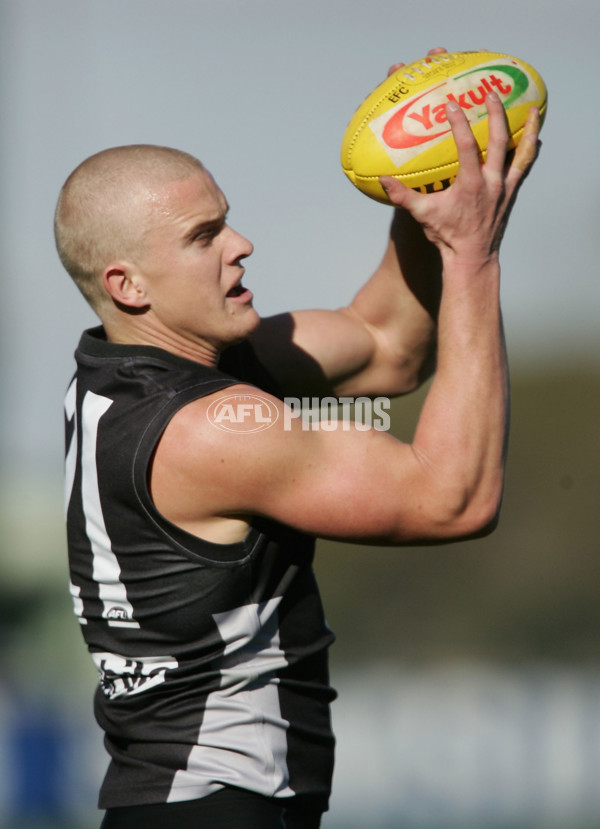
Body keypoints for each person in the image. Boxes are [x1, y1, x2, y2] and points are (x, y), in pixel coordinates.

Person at [56, 48, 540, 829]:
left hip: (189, 803)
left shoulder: (128, 368)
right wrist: (472, 255)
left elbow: (386, 344)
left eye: (227, 218)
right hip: (217, 808)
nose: (240, 242)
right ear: (127, 284)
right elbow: (453, 499)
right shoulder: (205, 429)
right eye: (203, 234)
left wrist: (424, 184)